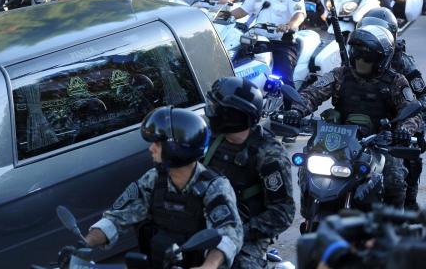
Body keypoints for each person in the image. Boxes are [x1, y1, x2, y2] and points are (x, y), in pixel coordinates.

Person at [284, 25, 423, 214]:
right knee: (308, 166)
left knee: (394, 180)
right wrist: (296, 111)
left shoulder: (396, 81)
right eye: (356, 53)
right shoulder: (340, 74)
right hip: (339, 139)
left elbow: (412, 111)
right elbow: (312, 93)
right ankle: (311, 211)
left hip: (379, 142)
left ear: (382, 58)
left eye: (368, 57)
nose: (360, 60)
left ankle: (391, 230)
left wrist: (403, 131)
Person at [83, 106, 243, 269]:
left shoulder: (214, 187)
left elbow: (228, 234)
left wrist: (209, 265)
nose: (151, 148)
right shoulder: (152, 179)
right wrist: (84, 245)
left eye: (158, 144)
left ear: (177, 148)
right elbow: (116, 217)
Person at [204, 77, 295, 269]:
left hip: (247, 232)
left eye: (216, 108)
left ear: (233, 115)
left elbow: (282, 214)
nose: (210, 112)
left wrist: (237, 232)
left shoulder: (269, 155)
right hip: (207, 222)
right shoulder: (212, 141)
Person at [356, 8, 426, 210]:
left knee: (407, 161)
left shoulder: (402, 63)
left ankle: (407, 205)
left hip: (393, 124)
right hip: (353, 125)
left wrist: (408, 128)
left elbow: (421, 97)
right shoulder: (353, 58)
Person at [231, 0, 306, 89]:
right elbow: (243, 10)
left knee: (284, 78)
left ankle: (291, 108)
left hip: (282, 42)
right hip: (259, 40)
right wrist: (223, 16)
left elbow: (299, 14)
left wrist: (289, 25)